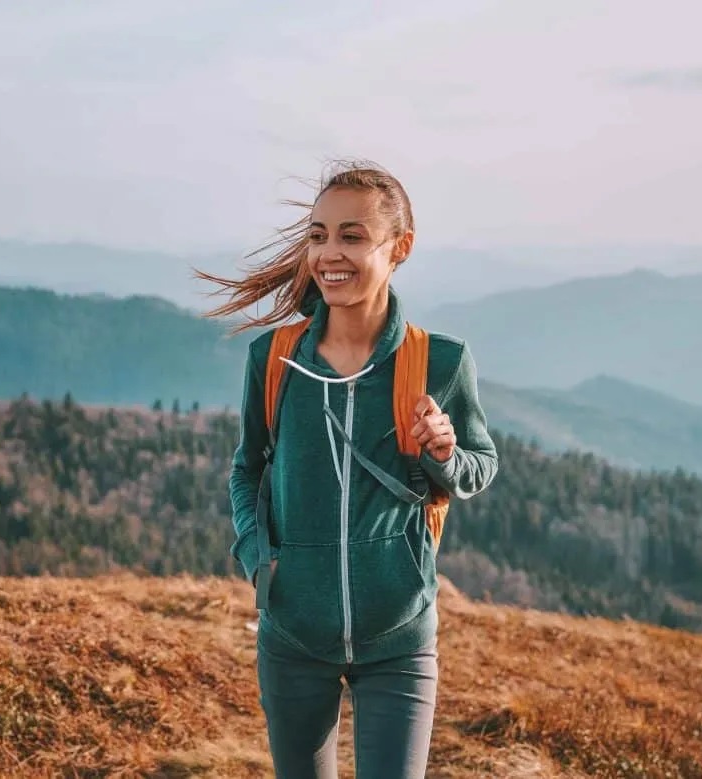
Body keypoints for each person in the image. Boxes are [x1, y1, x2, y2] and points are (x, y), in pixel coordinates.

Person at [198, 160, 499, 778]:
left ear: (400, 247)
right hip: (292, 637)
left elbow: (479, 467)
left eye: (352, 236)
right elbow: (246, 471)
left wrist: (445, 453)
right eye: (318, 235)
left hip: (399, 639)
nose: (329, 253)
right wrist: (261, 564)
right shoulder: (275, 360)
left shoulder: (439, 361)